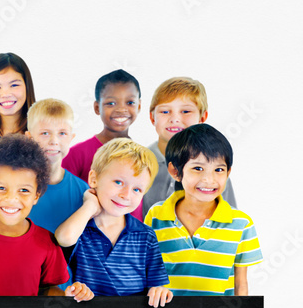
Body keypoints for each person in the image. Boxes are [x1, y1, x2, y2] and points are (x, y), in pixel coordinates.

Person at [0, 135, 93, 308]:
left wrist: (70, 295)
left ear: (36, 195)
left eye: (24, 190)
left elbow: (49, 290)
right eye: (1, 188)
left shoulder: (46, 241)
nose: (11, 199)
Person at [144, 124, 262, 295]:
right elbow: (147, 271)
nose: (209, 179)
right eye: (198, 168)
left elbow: (241, 284)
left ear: (228, 172)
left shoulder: (242, 224)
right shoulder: (156, 216)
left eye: (218, 170)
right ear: (175, 171)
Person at [54, 138, 171, 306]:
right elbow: (64, 238)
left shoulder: (146, 236)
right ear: (93, 179)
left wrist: (159, 291)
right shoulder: (80, 228)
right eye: (118, 182)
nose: (126, 194)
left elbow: (156, 285)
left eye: (137, 189)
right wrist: (90, 205)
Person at [140, 76, 237, 218]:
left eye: (185, 111)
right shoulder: (139, 163)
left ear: (202, 118)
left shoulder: (216, 170)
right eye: (165, 111)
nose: (175, 119)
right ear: (152, 118)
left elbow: (230, 220)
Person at [62, 69, 141, 183]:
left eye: (130, 102)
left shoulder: (142, 156)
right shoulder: (77, 154)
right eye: (111, 103)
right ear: (97, 108)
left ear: (139, 106)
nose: (121, 109)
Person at [22, 99, 89, 234]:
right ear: (29, 138)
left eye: (62, 133)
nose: (54, 141)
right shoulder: (15, 185)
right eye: (45, 133)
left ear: (71, 137)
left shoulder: (82, 191)